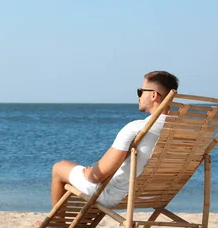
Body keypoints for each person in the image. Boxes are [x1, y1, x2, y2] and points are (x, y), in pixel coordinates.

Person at [48, 71, 179, 209]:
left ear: (153, 95)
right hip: (155, 195)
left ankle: (57, 225)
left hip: (119, 196)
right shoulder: (182, 130)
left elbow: (96, 177)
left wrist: (90, 174)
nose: (138, 96)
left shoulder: (137, 128)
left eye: (140, 92)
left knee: (59, 167)